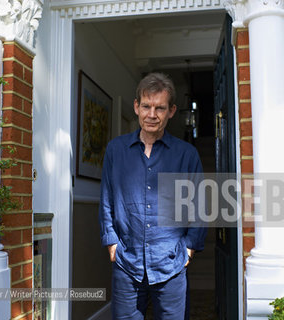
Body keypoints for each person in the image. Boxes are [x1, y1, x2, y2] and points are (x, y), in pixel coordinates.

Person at [99, 72, 206, 319]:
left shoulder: (186, 154)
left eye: (160, 108)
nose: (152, 114)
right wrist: (111, 241)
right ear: (136, 107)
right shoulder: (116, 150)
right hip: (127, 262)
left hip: (171, 263)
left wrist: (189, 248)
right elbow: (107, 198)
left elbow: (200, 207)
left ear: (171, 111)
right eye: (146, 106)